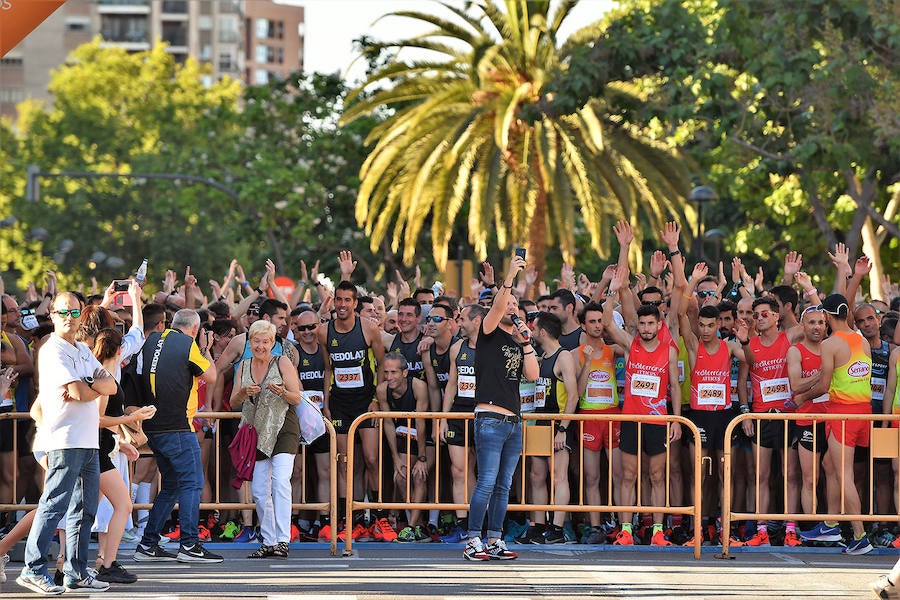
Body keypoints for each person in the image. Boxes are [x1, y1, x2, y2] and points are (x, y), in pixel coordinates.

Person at [17, 292, 116, 595]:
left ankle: (74, 572)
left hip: (87, 441)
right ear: (52, 315)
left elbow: (110, 383)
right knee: (54, 505)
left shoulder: (83, 351)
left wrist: (87, 385)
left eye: (75, 313)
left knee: (84, 510)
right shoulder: (52, 350)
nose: (69, 318)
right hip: (64, 439)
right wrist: (89, 385)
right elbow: (78, 392)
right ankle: (33, 569)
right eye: (63, 313)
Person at [463, 252, 538, 561]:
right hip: (490, 417)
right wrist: (507, 279)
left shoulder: (516, 339)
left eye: (515, 305)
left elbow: (532, 375)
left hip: (513, 421)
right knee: (487, 481)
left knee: (504, 484)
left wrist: (526, 343)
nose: (512, 307)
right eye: (508, 303)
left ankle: (495, 539)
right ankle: (472, 540)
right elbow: (496, 306)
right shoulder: (489, 333)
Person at [131, 308, 222, 564]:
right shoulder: (187, 343)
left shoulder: (151, 341)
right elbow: (211, 376)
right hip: (179, 426)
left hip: (153, 424)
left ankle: (148, 544)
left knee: (171, 485)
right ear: (195, 329)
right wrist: (204, 348)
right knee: (192, 482)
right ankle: (190, 544)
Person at [603, 269, 682, 547]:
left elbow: (675, 386)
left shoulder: (669, 351)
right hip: (631, 419)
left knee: (657, 475)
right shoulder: (630, 343)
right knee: (628, 475)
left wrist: (676, 420)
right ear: (638, 324)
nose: (647, 328)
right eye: (643, 323)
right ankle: (626, 529)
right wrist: (613, 292)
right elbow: (606, 326)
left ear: (660, 325)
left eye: (651, 323)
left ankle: (658, 531)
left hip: (657, 421)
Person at [800, 294, 874, 555]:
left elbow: (822, 385)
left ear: (828, 317)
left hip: (843, 414)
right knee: (829, 465)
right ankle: (830, 524)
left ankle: (859, 534)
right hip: (863, 411)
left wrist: (800, 397)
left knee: (844, 475)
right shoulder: (860, 340)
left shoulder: (831, 343)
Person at [230, 320, 303, 559]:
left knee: (281, 481)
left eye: (265, 341)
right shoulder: (244, 365)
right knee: (260, 490)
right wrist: (243, 392)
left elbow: (297, 398)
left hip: (283, 428)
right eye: (257, 341)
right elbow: (233, 402)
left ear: (273, 343)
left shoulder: (282, 362)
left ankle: (283, 539)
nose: (261, 346)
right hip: (257, 433)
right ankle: (269, 540)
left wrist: (281, 391)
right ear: (250, 342)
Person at [91, 328, 157, 583]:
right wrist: (132, 418)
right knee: (120, 505)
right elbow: (98, 419)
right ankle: (105, 562)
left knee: (86, 510)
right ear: (119, 350)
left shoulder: (103, 375)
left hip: (102, 449)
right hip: (97, 453)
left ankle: (99, 562)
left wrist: (121, 442)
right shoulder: (104, 377)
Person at [574, 301, 623, 544]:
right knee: (591, 477)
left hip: (612, 415)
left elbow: (634, 346)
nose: (596, 325)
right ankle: (595, 526)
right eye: (591, 321)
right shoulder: (576, 353)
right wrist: (587, 363)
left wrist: (612, 317)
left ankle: (622, 523)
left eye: (599, 321)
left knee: (618, 474)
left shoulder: (613, 350)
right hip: (588, 416)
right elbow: (578, 391)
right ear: (583, 325)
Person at [438, 304, 485, 544]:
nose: (459, 322)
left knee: (482, 472)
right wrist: (444, 418)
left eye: (463, 319)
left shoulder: (491, 348)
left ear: (477, 321)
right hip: (459, 413)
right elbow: (451, 385)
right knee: (459, 470)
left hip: (485, 414)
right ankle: (462, 524)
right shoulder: (457, 348)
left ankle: (480, 523)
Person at [377, 352, 429, 540]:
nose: (389, 377)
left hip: (425, 436)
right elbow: (389, 424)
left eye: (393, 372)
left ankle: (412, 526)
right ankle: (419, 525)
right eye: (386, 372)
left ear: (405, 373)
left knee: (419, 476)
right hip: (402, 435)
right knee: (400, 477)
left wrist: (422, 458)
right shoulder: (382, 390)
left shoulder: (418, 386)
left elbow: (422, 422)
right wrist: (396, 458)